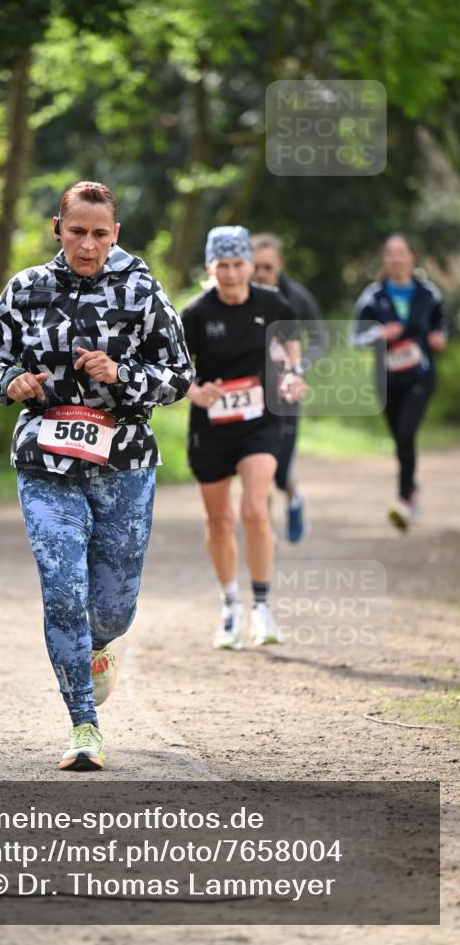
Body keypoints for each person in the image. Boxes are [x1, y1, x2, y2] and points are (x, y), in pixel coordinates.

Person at [0, 181, 193, 771]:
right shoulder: (26, 289)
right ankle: (83, 724)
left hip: (124, 459)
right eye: (77, 232)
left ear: (115, 234)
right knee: (63, 587)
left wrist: (123, 374)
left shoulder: (142, 290)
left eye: (100, 234)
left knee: (113, 609)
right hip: (45, 458)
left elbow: (179, 374)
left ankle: (98, 647)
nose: (88, 244)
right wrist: (9, 382)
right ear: (57, 228)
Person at [181, 226, 308, 651]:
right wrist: (194, 390)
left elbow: (291, 345)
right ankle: (230, 606)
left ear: (251, 266)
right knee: (219, 522)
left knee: (254, 509)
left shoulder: (272, 303)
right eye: (223, 266)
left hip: (260, 420)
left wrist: (293, 374)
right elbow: (173, 369)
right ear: (209, 267)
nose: (232, 274)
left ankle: (262, 606)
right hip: (212, 426)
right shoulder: (196, 314)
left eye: (239, 265)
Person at [353, 232, 447, 531]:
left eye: (400, 252)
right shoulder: (373, 296)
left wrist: (439, 336)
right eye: (389, 253)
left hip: (420, 375)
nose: (395, 258)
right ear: (385, 259)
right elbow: (356, 336)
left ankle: (404, 499)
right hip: (387, 379)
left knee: (406, 434)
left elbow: (442, 324)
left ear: (411, 257)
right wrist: (379, 334)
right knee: (399, 438)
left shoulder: (428, 294)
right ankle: (412, 489)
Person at [252, 233, 327, 543]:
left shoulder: (297, 297)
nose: (260, 273)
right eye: (255, 266)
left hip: (286, 396)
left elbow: (320, 338)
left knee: (281, 474)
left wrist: (298, 368)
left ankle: (294, 499)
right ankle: (266, 533)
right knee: (259, 469)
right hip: (251, 396)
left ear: (279, 265)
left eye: (267, 267)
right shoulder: (239, 298)